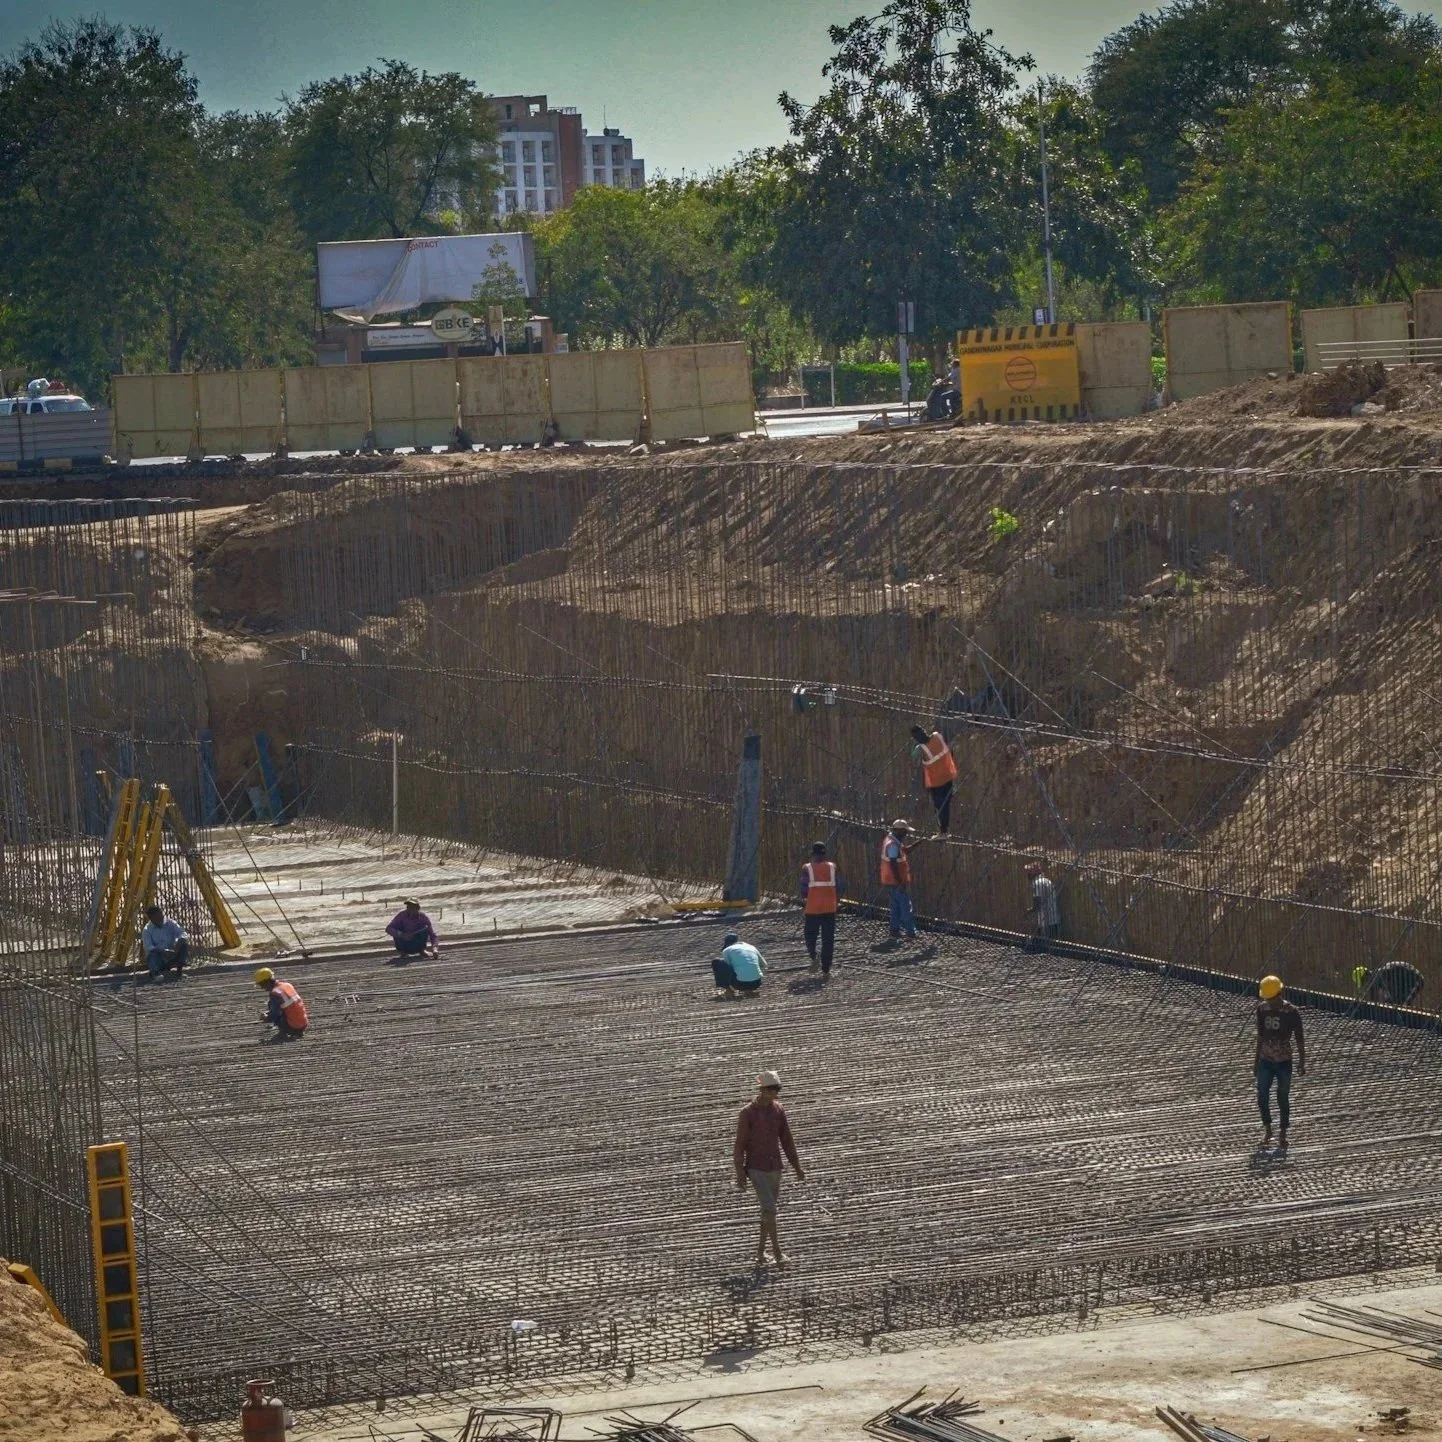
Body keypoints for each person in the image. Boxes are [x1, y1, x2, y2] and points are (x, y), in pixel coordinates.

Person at [734, 1070, 804, 1268]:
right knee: (770, 1209)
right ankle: (777, 1252)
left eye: (776, 1090)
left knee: (768, 1211)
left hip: (775, 1167)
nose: (774, 1093)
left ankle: (760, 1253)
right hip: (756, 1167)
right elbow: (739, 1144)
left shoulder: (778, 1110)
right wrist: (740, 1174)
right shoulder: (747, 1113)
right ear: (762, 1090)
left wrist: (797, 1167)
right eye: (771, 1089)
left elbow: (787, 1141)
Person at [1255, 974, 1305, 1149]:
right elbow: (1260, 1036)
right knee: (1262, 1094)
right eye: (1267, 999)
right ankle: (1268, 1129)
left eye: (1272, 998)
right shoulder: (1262, 1009)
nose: (1270, 1002)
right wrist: (1256, 1061)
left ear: (1279, 994)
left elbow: (1299, 1038)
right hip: (1265, 1059)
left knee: (1282, 1096)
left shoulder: (1291, 1012)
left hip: (1284, 1060)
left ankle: (1283, 1133)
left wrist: (1302, 1061)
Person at [799, 842, 841, 976]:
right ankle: (826, 969)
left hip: (813, 908)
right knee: (828, 939)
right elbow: (840, 886)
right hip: (830, 908)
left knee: (810, 935)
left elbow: (803, 890)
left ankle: (814, 955)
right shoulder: (832, 867)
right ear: (825, 854)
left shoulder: (807, 868)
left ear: (813, 854)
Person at [910, 724, 958, 835]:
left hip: (936, 783)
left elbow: (913, 755)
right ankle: (945, 830)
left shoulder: (921, 748)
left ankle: (944, 831)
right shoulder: (938, 736)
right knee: (946, 805)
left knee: (940, 807)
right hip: (948, 776)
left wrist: (914, 744)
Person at [880, 820, 918, 941]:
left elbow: (905, 851)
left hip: (889, 880)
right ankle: (910, 931)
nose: (906, 833)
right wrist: (900, 882)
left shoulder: (892, 840)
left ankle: (894, 930)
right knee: (905, 906)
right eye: (904, 831)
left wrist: (919, 842)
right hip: (895, 881)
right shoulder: (892, 845)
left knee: (895, 907)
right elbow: (893, 864)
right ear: (899, 830)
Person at [255, 967, 309, 1040]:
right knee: (275, 1006)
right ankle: (297, 1031)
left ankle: (284, 1033)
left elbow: (275, 1015)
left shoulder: (275, 994)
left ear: (266, 982)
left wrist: (267, 1017)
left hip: (293, 1026)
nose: (262, 988)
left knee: (271, 1005)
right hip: (303, 1023)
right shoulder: (287, 985)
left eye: (261, 985)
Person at [713, 930, 766, 998]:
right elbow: (764, 964)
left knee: (717, 962)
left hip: (739, 984)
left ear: (727, 944)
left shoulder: (727, 950)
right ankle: (749, 991)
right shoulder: (751, 947)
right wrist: (757, 975)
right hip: (756, 983)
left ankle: (729, 991)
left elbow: (728, 968)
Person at [142, 905, 188, 980]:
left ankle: (179, 972)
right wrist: (163, 952)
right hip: (159, 957)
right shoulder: (147, 930)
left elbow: (183, 933)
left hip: (172, 954)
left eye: (161, 915)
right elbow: (149, 947)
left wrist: (178, 945)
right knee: (152, 954)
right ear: (151, 919)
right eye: (157, 917)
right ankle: (155, 973)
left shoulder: (171, 923)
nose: (160, 918)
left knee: (184, 945)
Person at [1354, 962, 1424, 1007]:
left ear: (1366, 977)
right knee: (1398, 1003)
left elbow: (1395, 991)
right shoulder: (1377, 979)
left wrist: (1390, 1001)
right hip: (1405, 983)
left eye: (1364, 982)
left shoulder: (1382, 976)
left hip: (1415, 981)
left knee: (1400, 1004)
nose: (1366, 985)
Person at [1025, 861, 1060, 949]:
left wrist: (1029, 911)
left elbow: (1037, 902)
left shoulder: (1037, 883)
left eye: (1029, 872)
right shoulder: (1047, 881)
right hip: (1053, 917)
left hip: (1046, 920)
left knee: (1045, 946)